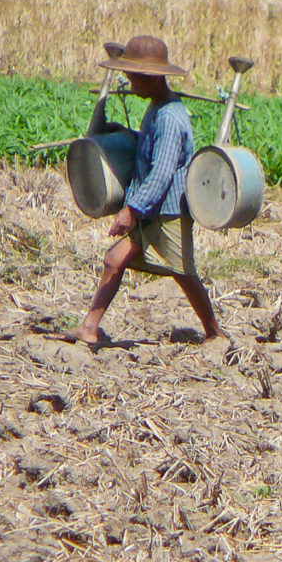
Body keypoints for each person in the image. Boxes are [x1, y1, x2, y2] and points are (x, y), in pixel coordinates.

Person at [62, 35, 223, 346]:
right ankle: (89, 327)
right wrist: (127, 134)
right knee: (113, 259)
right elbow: (154, 149)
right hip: (152, 207)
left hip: (167, 209)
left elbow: (162, 173)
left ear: (150, 78)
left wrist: (131, 209)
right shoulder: (157, 109)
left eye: (133, 77)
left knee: (184, 274)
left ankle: (215, 333)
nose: (129, 82)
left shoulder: (170, 117)